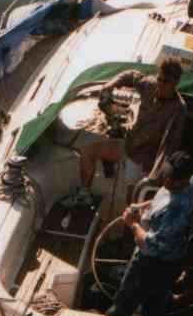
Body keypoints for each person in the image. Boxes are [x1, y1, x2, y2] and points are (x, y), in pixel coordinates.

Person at [63, 58, 186, 206]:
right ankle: (84, 195)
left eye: (166, 82)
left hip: (143, 160)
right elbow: (131, 75)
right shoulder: (150, 85)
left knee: (131, 203)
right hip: (128, 145)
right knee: (87, 152)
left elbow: (169, 146)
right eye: (159, 79)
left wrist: (155, 175)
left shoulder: (178, 109)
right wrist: (111, 84)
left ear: (175, 83)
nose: (160, 84)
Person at [106, 151, 193, 316]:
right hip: (172, 261)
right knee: (154, 312)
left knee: (121, 308)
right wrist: (140, 206)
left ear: (183, 180)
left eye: (172, 179)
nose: (166, 181)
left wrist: (132, 224)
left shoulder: (175, 210)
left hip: (150, 264)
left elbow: (149, 246)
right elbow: (161, 198)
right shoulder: (191, 181)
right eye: (166, 175)